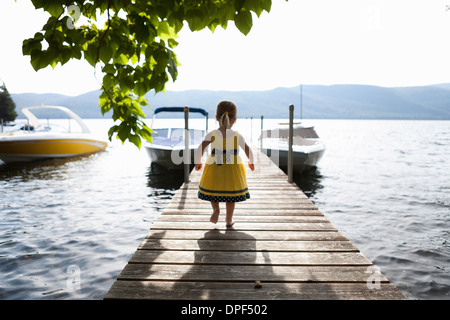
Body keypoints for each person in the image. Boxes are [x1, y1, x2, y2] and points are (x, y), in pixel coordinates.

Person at [195, 101, 254, 227]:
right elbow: (248, 149)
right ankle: (228, 220)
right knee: (230, 196)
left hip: (215, 166)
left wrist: (198, 161)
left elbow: (200, 148)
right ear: (235, 119)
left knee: (213, 190)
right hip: (232, 168)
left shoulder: (212, 134)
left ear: (216, 117)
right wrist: (251, 162)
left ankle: (216, 209)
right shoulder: (237, 135)